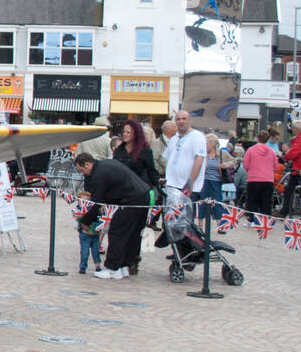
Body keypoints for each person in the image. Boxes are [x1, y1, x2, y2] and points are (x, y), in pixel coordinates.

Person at [74, 152, 151, 279]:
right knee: (131, 233)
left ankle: (112, 268)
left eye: (82, 170)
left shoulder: (99, 175)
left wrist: (85, 221)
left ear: (87, 164)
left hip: (132, 199)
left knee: (117, 230)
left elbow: (97, 202)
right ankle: (124, 266)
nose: (83, 174)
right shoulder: (106, 164)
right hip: (144, 195)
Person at [111, 119, 156, 273]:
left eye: (128, 132)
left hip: (140, 193)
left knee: (137, 230)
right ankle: (120, 260)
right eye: (124, 131)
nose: (125, 134)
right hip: (124, 194)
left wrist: (157, 187)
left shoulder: (145, 151)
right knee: (121, 227)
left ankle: (133, 260)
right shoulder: (119, 150)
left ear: (136, 134)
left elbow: (152, 171)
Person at [164, 109, 207, 201]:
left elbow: (199, 160)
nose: (181, 121)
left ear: (189, 120)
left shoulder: (197, 136)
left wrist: (190, 183)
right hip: (171, 186)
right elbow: (168, 161)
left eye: (184, 119)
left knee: (185, 215)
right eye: (178, 119)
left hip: (187, 188)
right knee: (171, 215)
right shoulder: (173, 139)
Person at [243, 132, 280, 217]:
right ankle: (265, 221)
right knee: (266, 202)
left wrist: (251, 170)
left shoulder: (251, 150)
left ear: (257, 138)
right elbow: (275, 165)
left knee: (252, 201)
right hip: (268, 180)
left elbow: (245, 164)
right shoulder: (272, 152)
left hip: (253, 179)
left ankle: (252, 220)